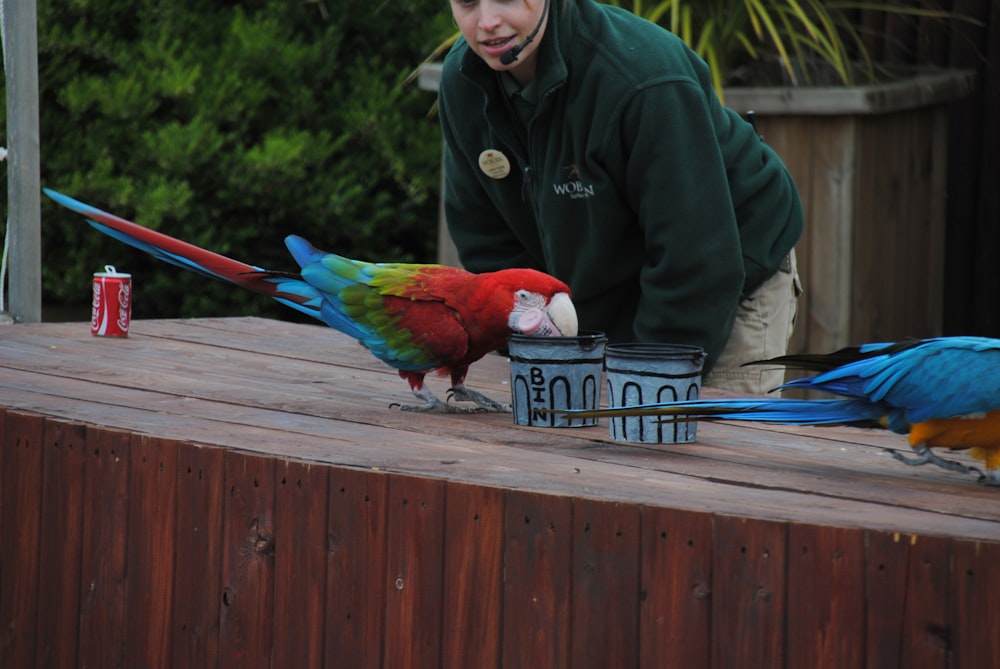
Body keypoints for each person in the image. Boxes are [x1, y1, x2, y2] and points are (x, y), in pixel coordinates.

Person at [438, 0, 804, 394]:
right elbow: (488, 243)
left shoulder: (644, 80)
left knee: (689, 439)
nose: (488, 21)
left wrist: (642, 383)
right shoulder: (463, 84)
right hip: (608, 280)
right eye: (468, 3)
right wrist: (546, 350)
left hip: (725, 274)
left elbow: (696, 260)